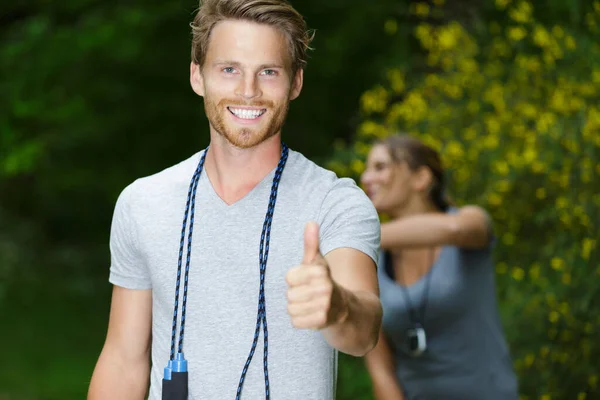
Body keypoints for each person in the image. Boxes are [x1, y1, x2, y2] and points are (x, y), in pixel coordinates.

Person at [87, 1, 382, 399]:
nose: (248, 91)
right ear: (197, 76)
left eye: (269, 72)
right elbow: (124, 358)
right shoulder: (144, 202)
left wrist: (337, 307)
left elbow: (364, 332)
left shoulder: (335, 203)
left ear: (295, 82)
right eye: (229, 69)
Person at [360, 134, 519, 400]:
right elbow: (380, 368)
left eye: (380, 167)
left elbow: (453, 229)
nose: (366, 178)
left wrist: (354, 237)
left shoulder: (470, 221)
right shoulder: (369, 260)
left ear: (421, 178)